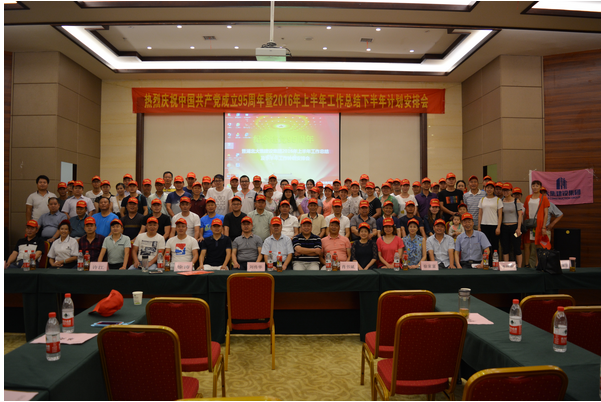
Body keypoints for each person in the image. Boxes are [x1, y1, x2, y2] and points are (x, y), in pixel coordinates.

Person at [523, 180, 550, 268]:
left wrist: (543, 227)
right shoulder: (528, 198)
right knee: (527, 244)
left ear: (540, 187)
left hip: (538, 224)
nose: (535, 187)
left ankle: (538, 264)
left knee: (538, 245)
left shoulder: (543, 198)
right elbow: (525, 211)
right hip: (528, 223)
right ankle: (527, 264)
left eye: (537, 186)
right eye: (533, 185)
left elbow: (546, 214)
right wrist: (522, 224)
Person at [477, 181, 503, 265]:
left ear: (494, 189)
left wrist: (498, 227)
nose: (489, 189)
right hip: (484, 225)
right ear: (485, 189)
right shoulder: (482, 200)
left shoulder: (498, 200)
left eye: (491, 188)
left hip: (494, 225)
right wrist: (479, 227)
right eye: (488, 187)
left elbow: (500, 215)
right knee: (485, 246)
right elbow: (480, 214)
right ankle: (485, 263)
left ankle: (495, 264)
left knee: (495, 246)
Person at [501, 183, 523, 267]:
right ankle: (506, 266)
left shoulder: (516, 201)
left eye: (507, 190)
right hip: (504, 227)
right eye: (504, 190)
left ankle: (519, 267)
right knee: (505, 248)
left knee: (517, 247)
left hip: (514, 227)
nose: (505, 192)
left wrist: (518, 228)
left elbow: (520, 215)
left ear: (511, 191)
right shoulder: (501, 201)